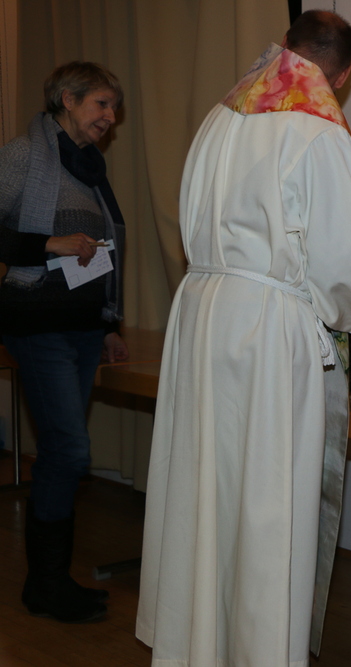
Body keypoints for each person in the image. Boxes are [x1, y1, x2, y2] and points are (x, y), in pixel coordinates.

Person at [135, 11, 351, 666]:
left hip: (202, 313)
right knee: (267, 497)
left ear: (285, 47)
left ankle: (197, 644)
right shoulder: (318, 126)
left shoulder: (221, 115)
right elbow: (341, 263)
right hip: (266, 326)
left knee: (206, 490)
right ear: (343, 73)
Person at [0, 61, 128, 623]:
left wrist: (109, 326)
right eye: (102, 103)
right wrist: (49, 243)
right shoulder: (24, 156)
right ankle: (46, 585)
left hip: (81, 328)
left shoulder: (90, 168)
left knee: (60, 453)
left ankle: (49, 584)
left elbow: (100, 254)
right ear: (68, 99)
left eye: (114, 107)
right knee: (71, 451)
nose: (110, 116)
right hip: (36, 323)